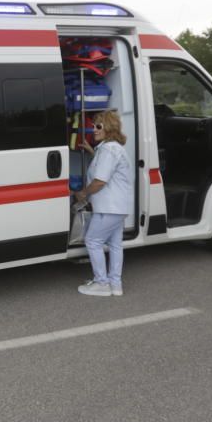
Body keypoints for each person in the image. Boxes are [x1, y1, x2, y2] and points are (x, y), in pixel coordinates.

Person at [74, 111, 134, 297]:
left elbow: (100, 180)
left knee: (93, 240)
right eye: (94, 126)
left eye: (98, 126)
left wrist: (83, 193)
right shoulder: (110, 148)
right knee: (115, 244)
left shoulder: (109, 150)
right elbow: (106, 167)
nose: (94, 129)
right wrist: (93, 151)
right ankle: (115, 284)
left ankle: (101, 283)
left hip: (109, 206)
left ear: (109, 128)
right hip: (118, 206)